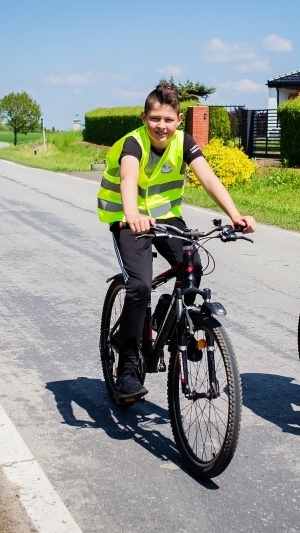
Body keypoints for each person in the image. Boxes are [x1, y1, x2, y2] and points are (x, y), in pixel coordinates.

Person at [97, 82, 256, 400]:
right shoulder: (134, 143)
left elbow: (208, 178)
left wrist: (236, 215)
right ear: (144, 117)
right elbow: (128, 177)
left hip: (166, 218)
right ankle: (127, 367)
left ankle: (164, 318)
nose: (161, 126)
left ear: (179, 120)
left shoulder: (183, 142)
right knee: (140, 286)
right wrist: (132, 215)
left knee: (193, 265)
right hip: (128, 220)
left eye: (168, 120)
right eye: (155, 118)